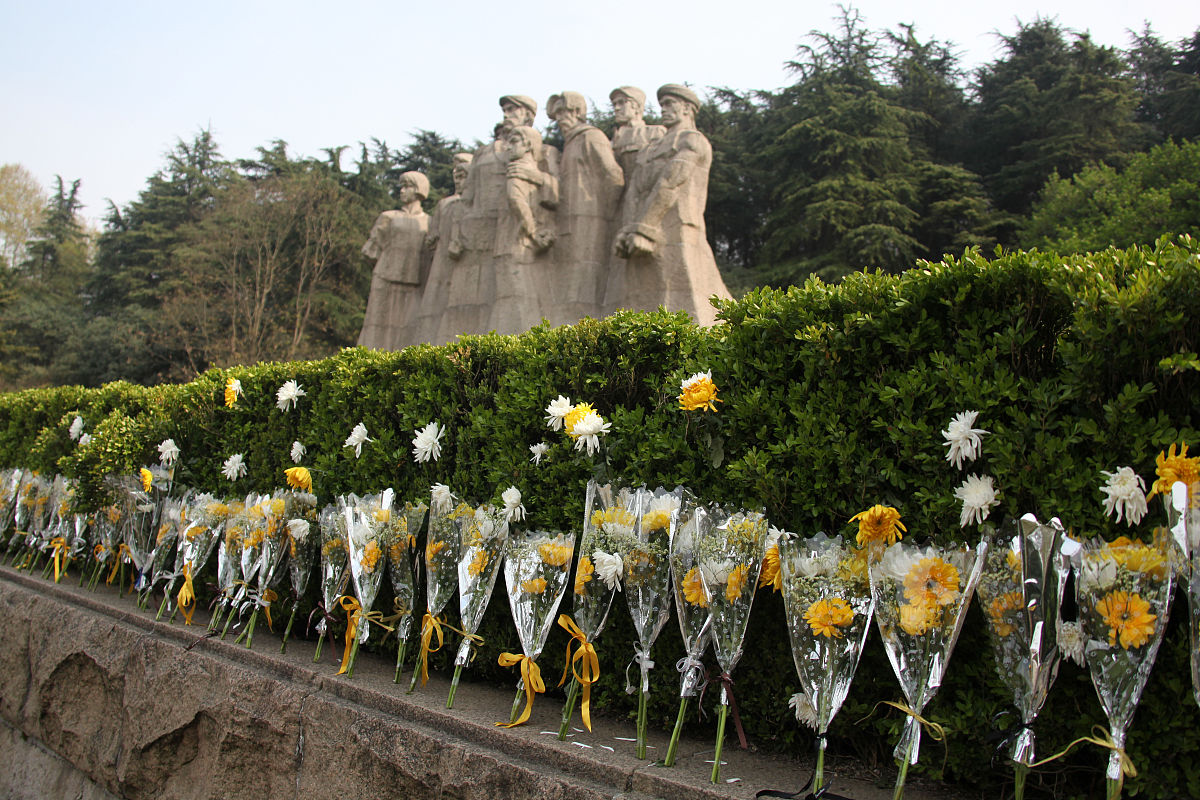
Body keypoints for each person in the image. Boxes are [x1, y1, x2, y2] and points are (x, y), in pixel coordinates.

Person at [607, 84, 732, 326]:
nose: (663, 109)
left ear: (687, 108)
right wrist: (629, 229)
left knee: (690, 301)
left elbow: (672, 182)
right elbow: (634, 189)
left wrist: (645, 228)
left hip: (679, 227)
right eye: (662, 105)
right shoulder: (651, 148)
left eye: (669, 104)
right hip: (641, 233)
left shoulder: (693, 140)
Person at [546, 91, 624, 325]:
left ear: (578, 112)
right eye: (557, 114)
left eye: (564, 112)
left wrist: (605, 214)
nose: (560, 118)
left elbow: (613, 175)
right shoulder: (570, 143)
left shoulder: (592, 136)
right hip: (568, 220)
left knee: (585, 280)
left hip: (591, 218)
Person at [489, 125, 557, 335]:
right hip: (524, 238)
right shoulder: (532, 171)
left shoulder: (517, 169)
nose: (508, 147)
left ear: (528, 145)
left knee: (516, 295)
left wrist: (533, 231)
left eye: (514, 141)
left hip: (517, 239)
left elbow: (516, 201)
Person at [358, 171, 430, 349]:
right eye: (402, 187)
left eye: (407, 187)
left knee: (410, 329)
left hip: (415, 281)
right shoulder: (389, 217)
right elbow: (371, 250)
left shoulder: (429, 222)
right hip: (385, 276)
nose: (402, 191)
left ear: (419, 190)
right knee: (377, 324)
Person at [413, 152, 472, 344]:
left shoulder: (475, 203)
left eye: (462, 168)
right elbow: (433, 235)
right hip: (442, 262)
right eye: (455, 168)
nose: (456, 173)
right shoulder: (444, 204)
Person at [608, 86, 665, 181]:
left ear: (637, 107)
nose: (616, 108)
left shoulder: (654, 132)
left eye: (622, 103)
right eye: (615, 104)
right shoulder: (614, 139)